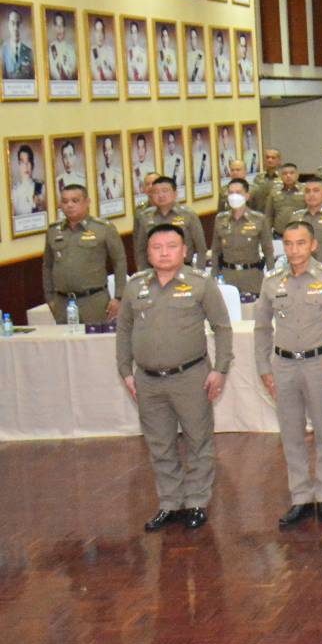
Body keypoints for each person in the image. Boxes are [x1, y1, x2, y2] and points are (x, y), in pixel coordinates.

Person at [116, 224, 234, 532]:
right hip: (148, 380)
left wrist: (220, 369)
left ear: (184, 251)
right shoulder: (135, 286)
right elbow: (124, 329)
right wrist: (126, 371)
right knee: (160, 445)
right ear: (147, 253)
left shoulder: (200, 284)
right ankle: (169, 503)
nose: (164, 253)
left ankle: (196, 502)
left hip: (191, 377)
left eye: (171, 246)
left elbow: (222, 327)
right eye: (157, 247)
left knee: (198, 441)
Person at [254, 221, 322, 529]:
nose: (294, 249)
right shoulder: (272, 281)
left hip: (319, 364)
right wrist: (264, 369)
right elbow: (261, 329)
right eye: (288, 243)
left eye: (300, 243)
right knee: (291, 434)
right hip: (283, 366)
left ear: (313, 245)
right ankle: (300, 496)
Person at [42, 184, 127, 324]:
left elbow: (119, 262)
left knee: (96, 338)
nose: (69, 205)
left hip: (94, 302)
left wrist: (119, 297)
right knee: (64, 338)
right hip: (63, 303)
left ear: (87, 202)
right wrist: (49, 297)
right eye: (65, 201)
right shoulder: (53, 230)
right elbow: (47, 266)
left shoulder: (103, 228)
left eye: (75, 201)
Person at [208, 178, 274, 296]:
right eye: (231, 193)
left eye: (238, 192)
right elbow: (216, 251)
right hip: (227, 277)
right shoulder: (220, 219)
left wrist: (271, 278)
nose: (234, 196)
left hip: (252, 277)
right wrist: (214, 275)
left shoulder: (259, 219)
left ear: (247, 196)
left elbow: (268, 251)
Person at [133, 175, 205, 270]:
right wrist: (144, 272)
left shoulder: (188, 215)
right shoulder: (145, 217)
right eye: (156, 192)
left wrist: (199, 273)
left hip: (184, 269)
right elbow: (141, 250)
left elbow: (201, 248)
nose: (161, 195)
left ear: (175, 194)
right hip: (155, 271)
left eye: (165, 191)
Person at [2, 7, 33, 80]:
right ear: (9, 25)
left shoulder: (29, 51)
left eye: (18, 24)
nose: (15, 28)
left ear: (21, 26)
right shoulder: (2, 50)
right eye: (12, 23)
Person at [46, 12, 76, 84]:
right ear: (54, 28)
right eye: (57, 25)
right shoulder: (50, 48)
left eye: (61, 25)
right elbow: (51, 71)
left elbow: (73, 70)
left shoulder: (70, 49)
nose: (59, 28)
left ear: (64, 28)